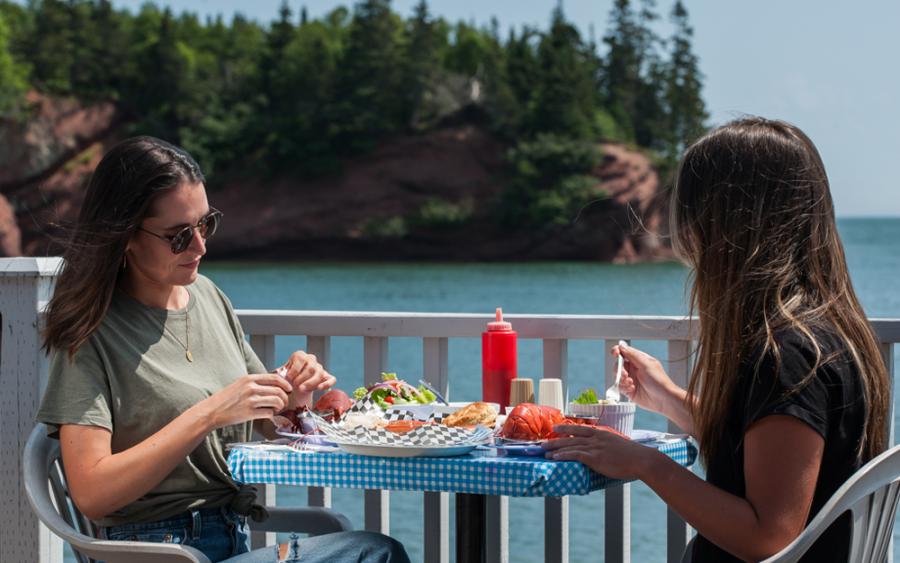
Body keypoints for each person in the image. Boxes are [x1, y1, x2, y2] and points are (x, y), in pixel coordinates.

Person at [36, 136, 410, 563]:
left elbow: (267, 421)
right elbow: (92, 494)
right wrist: (209, 413)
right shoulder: (91, 333)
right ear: (125, 236)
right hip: (159, 553)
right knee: (374, 553)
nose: (201, 247)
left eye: (205, 224)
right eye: (179, 236)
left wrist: (294, 395)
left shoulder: (208, 297)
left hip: (230, 541)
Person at [543, 117, 890, 562]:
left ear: (724, 224)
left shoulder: (789, 358)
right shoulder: (824, 333)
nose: (684, 234)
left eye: (690, 215)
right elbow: (766, 449)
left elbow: (769, 537)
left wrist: (643, 463)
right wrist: (667, 397)